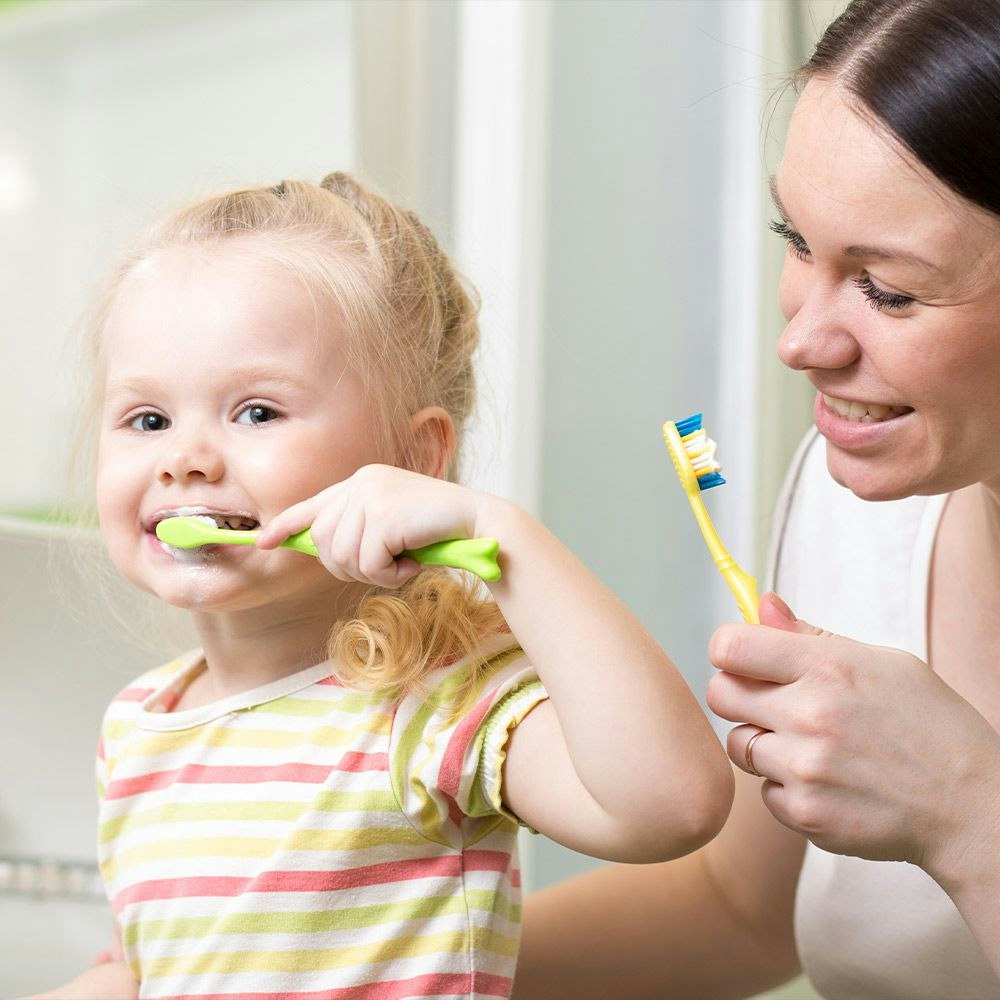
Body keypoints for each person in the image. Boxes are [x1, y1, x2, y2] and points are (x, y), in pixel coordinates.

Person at [30, 171, 733, 1000]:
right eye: (147, 419)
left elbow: (673, 806)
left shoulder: (428, 704)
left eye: (256, 412)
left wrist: (508, 540)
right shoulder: (138, 729)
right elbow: (149, 962)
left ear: (412, 461)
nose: (185, 457)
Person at [512, 1, 1000, 998]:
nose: (800, 341)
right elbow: (741, 909)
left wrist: (964, 806)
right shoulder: (853, 502)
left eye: (887, 289)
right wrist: (336, 958)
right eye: (797, 242)